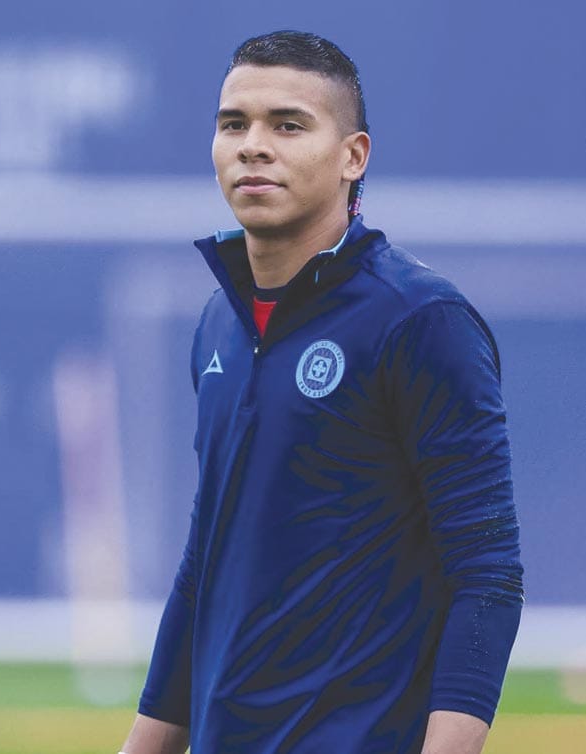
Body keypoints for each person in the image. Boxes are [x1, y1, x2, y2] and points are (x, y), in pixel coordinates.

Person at [120, 30, 523, 754]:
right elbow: (206, 564)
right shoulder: (217, 325)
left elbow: (487, 574)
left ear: (353, 157)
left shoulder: (420, 320)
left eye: (288, 125)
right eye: (233, 124)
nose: (253, 146)